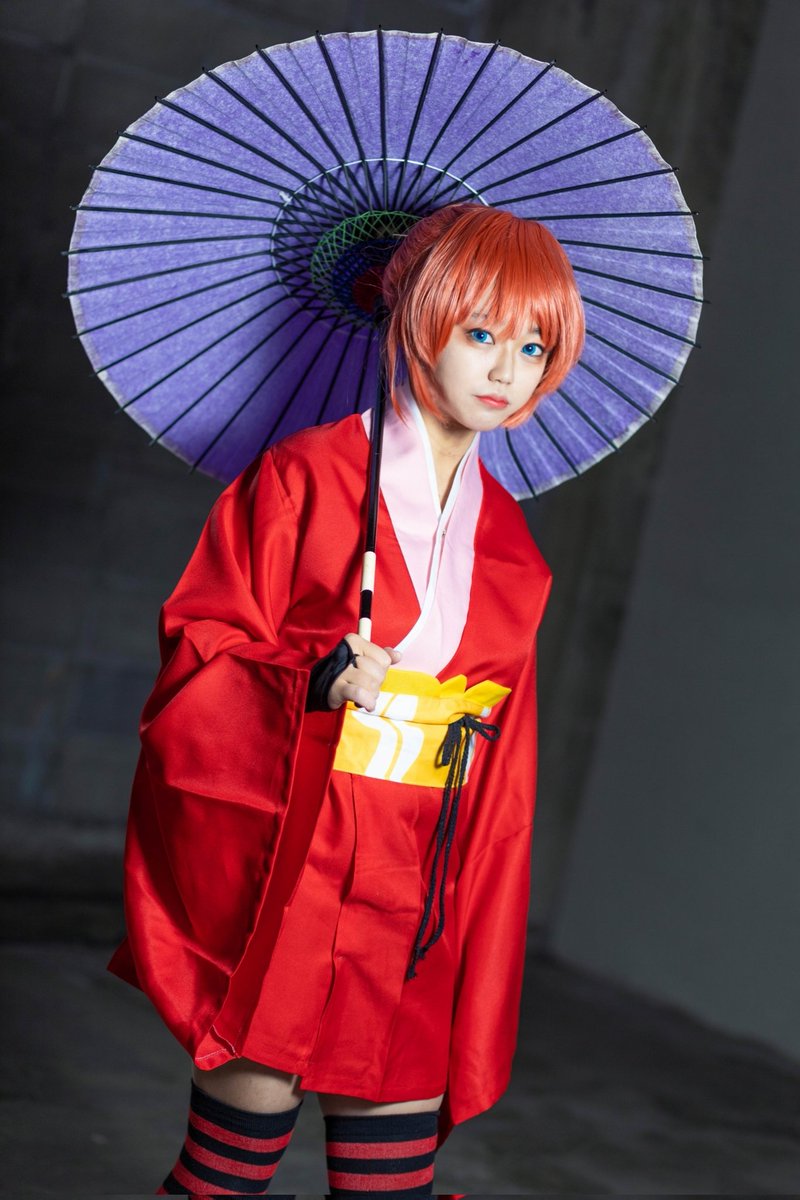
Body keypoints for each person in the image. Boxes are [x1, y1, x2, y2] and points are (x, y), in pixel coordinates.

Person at [106, 201, 585, 1195]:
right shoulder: (302, 479)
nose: (506, 368)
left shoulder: (509, 543)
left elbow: (504, 771)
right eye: (481, 333)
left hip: (417, 881)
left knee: (390, 1183)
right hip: (300, 860)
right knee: (226, 1176)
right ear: (416, 319)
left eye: (534, 345)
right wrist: (313, 675)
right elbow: (201, 648)